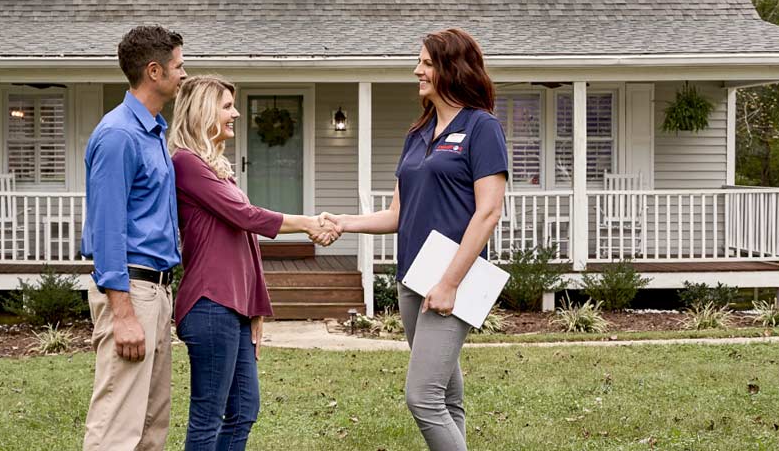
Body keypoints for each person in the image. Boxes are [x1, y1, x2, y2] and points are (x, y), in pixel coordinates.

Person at [321, 28, 507, 451]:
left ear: (450, 69)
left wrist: (450, 283)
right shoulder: (418, 133)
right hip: (412, 277)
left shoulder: (482, 128)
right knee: (446, 395)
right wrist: (343, 222)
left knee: (422, 396)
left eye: (425, 62)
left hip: (453, 279)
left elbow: (489, 212)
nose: (416, 70)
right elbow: (397, 215)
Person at [167, 75, 338, 451]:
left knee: (244, 409)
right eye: (227, 106)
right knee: (208, 417)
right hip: (210, 304)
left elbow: (244, 242)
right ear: (203, 111)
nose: (236, 114)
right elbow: (247, 217)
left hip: (234, 306)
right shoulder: (186, 162)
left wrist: (254, 306)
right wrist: (308, 223)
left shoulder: (214, 167)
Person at [81, 25, 187, 451]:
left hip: (156, 291)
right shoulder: (119, 135)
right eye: (179, 66)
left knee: (150, 424)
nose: (185, 74)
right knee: (117, 426)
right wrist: (122, 312)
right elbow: (107, 229)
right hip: (131, 290)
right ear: (154, 71)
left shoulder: (154, 131)